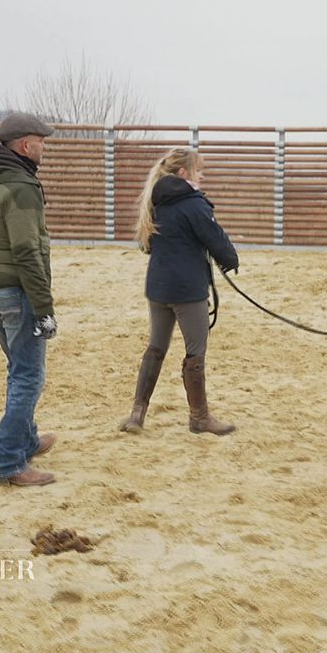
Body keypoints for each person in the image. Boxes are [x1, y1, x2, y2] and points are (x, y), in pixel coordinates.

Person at [119, 147, 239, 436]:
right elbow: (215, 238)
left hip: (158, 287)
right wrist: (231, 259)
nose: (202, 176)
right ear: (184, 174)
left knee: (156, 348)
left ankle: (137, 414)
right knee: (195, 353)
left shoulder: (155, 202)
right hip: (188, 290)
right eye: (199, 170)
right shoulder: (193, 204)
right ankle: (199, 418)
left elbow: (146, 245)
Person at [0, 112, 59, 486]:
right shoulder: (21, 187)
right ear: (25, 145)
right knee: (28, 376)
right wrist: (45, 308)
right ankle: (8, 463)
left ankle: (26, 440)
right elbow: (27, 252)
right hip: (17, 291)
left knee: (19, 368)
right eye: (42, 141)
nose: (44, 147)